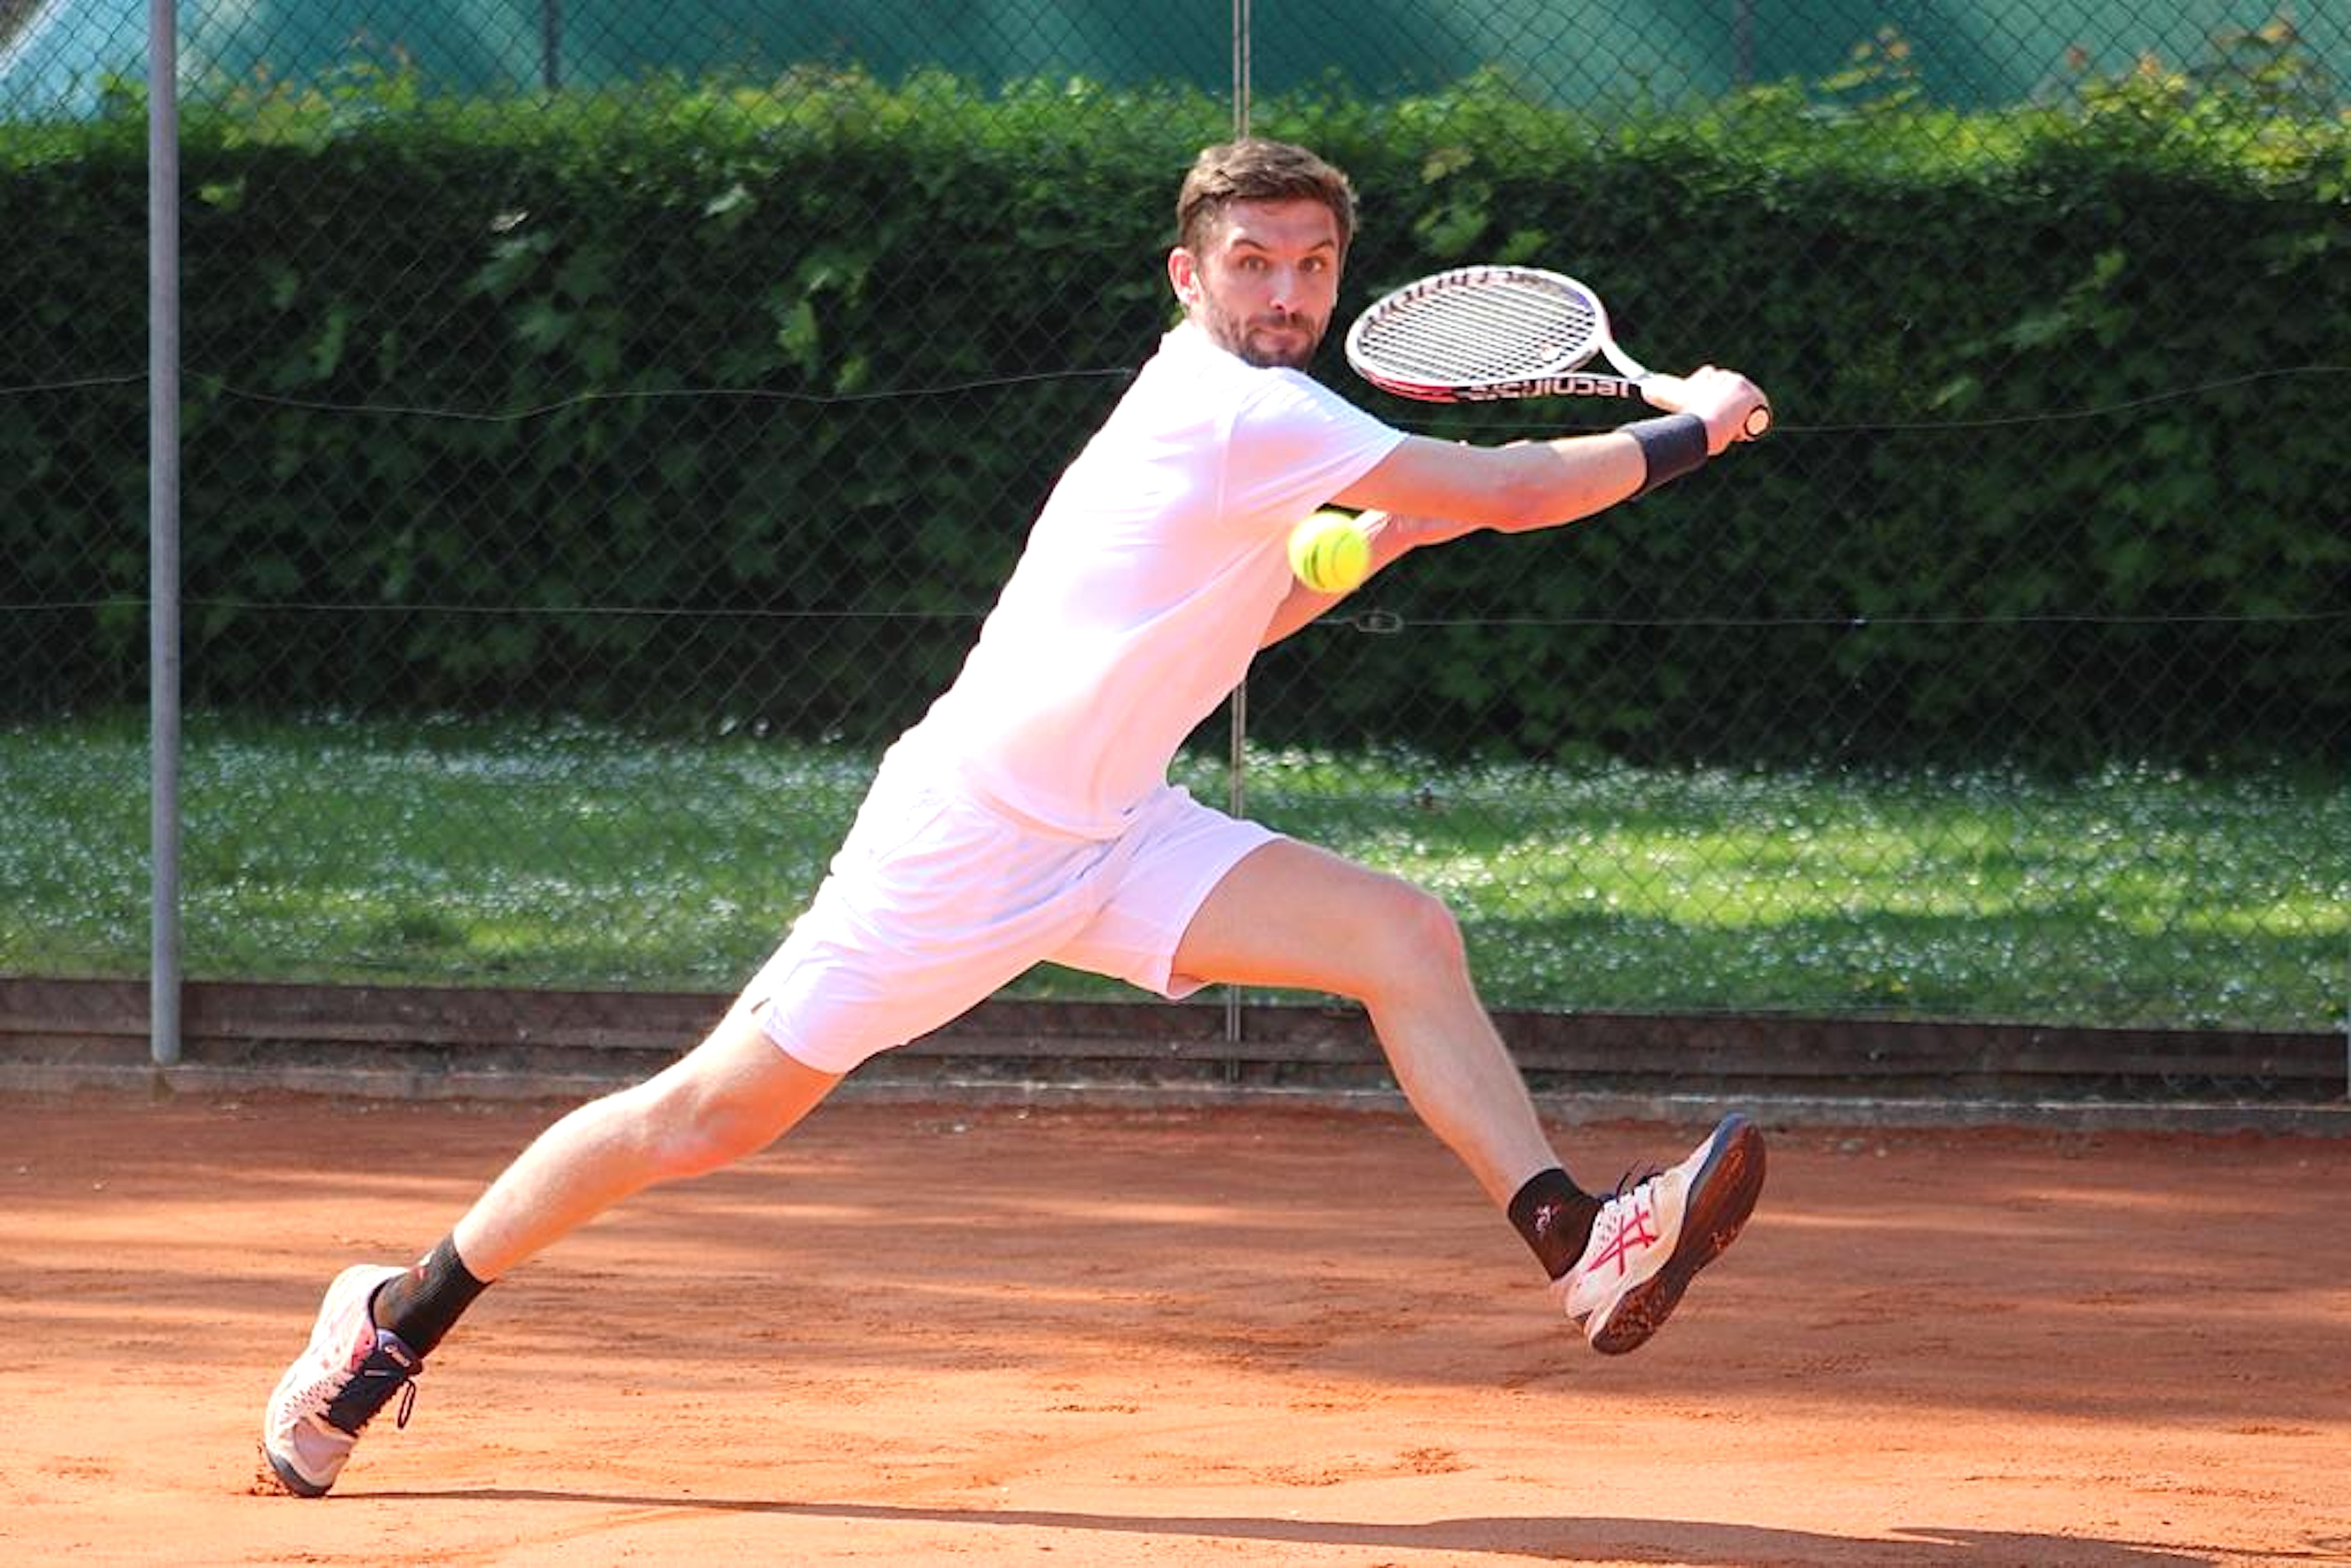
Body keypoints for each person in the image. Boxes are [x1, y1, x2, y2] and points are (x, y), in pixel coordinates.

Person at [260, 138, 1772, 1498]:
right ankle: (393, 1322)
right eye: (1253, 262)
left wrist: (1392, 528)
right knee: (704, 1117)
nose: (1288, 289)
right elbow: (1498, 494)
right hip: (967, 839)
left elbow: (1296, 577)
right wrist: (1692, 432)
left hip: (1118, 831)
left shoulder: (1268, 422)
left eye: (1313, 262)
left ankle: (1578, 1241)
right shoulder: (1240, 407)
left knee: (1403, 936)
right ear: (1189, 276)